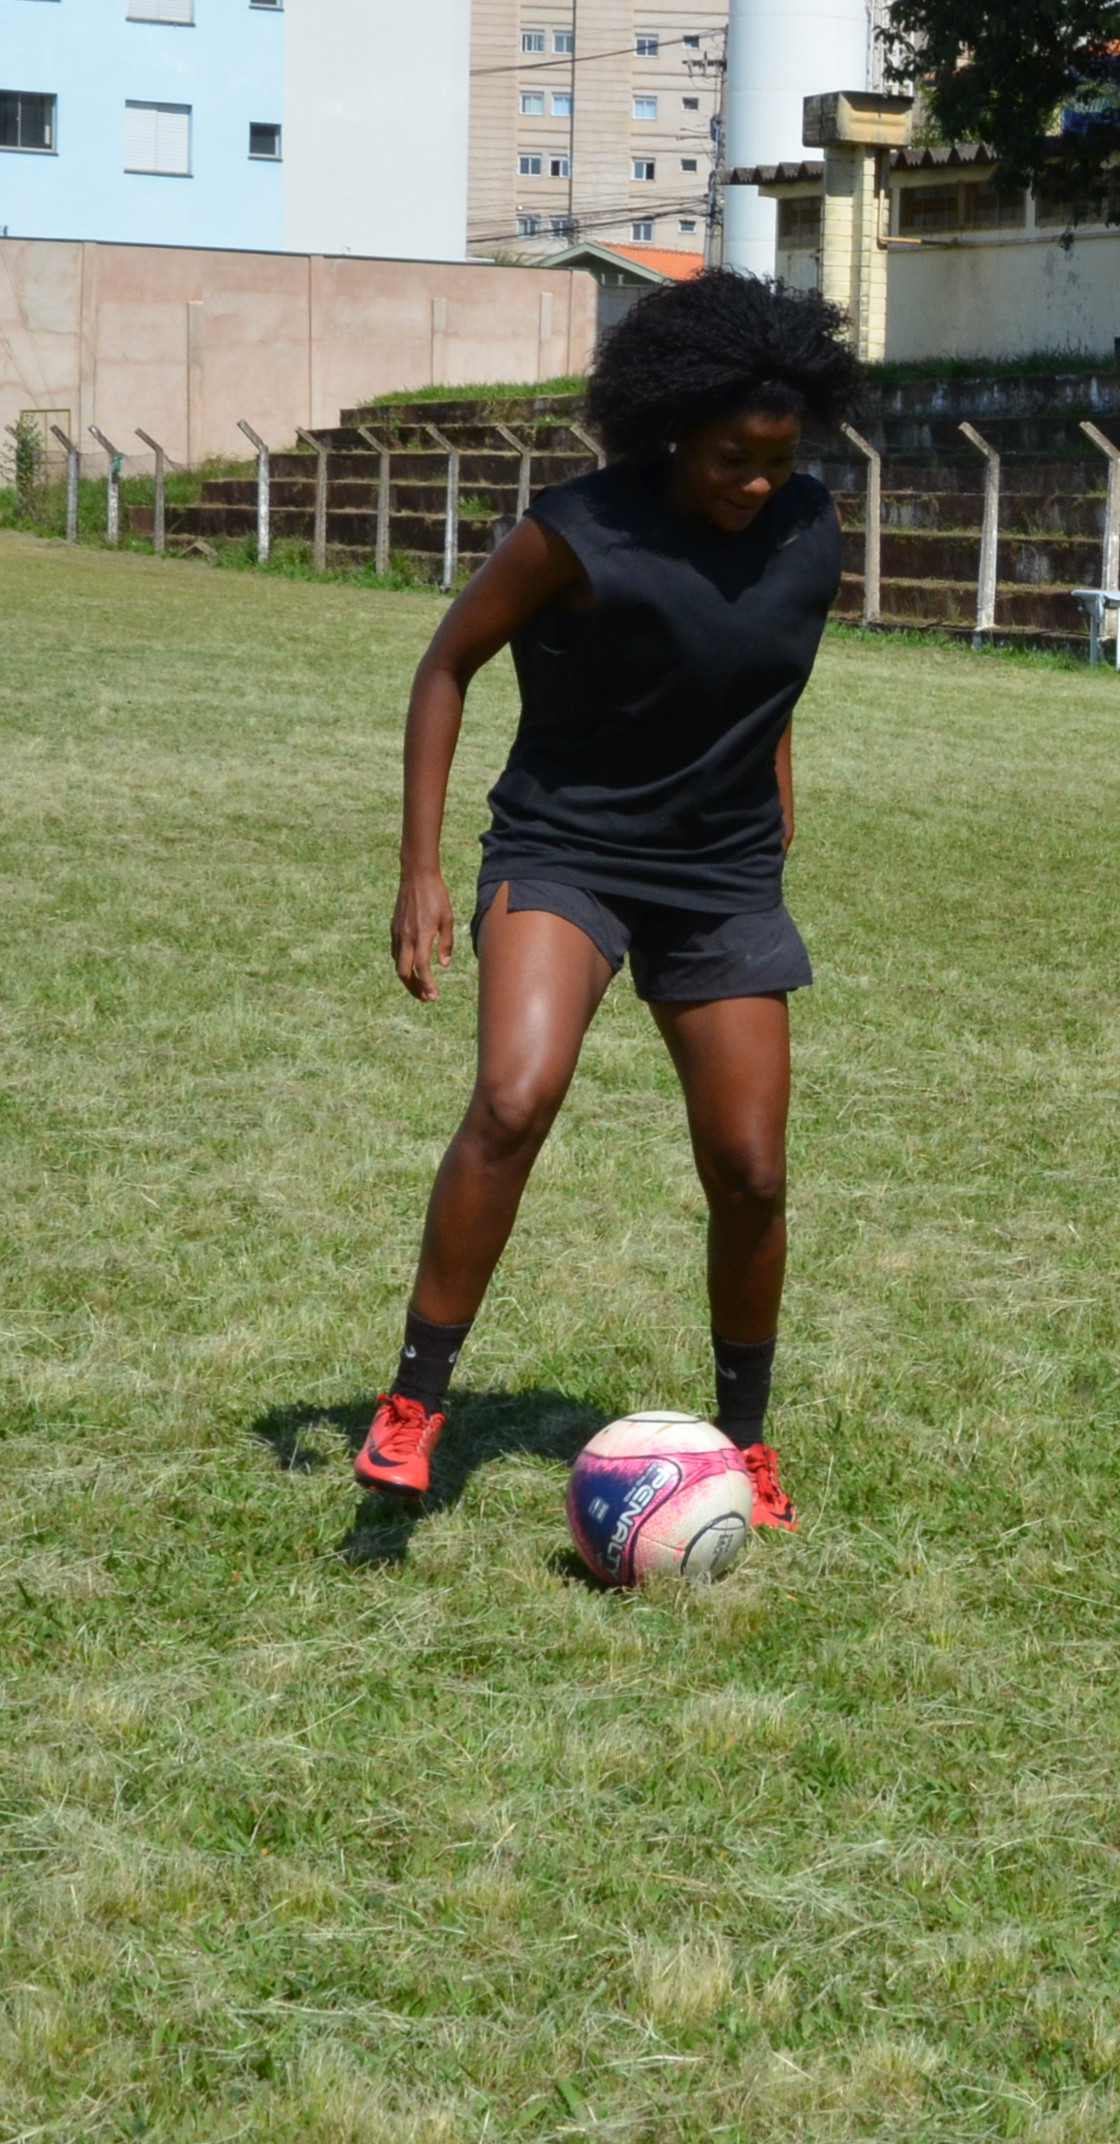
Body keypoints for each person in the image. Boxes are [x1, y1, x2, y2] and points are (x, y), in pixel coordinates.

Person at [351, 270, 868, 1534]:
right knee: (516, 1096)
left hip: (723, 870)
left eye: (778, 456)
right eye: (733, 457)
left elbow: (769, 677)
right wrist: (421, 866)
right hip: (567, 844)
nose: (757, 481)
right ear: (672, 428)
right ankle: (416, 1403)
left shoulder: (811, 528)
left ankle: (743, 1442)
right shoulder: (577, 529)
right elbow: (446, 665)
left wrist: (777, 810)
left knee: (750, 1170)